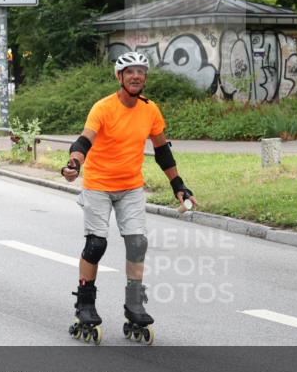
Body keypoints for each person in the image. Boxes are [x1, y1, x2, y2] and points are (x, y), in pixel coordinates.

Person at [61, 51, 196, 345]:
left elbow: (162, 151)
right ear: (119, 77)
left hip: (131, 186)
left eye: (141, 72)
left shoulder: (150, 110)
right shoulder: (103, 108)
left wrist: (178, 184)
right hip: (98, 184)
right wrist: (74, 164)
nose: (136, 76)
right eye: (130, 71)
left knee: (137, 242)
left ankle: (134, 304)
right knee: (96, 244)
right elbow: (84, 140)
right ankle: (84, 305)